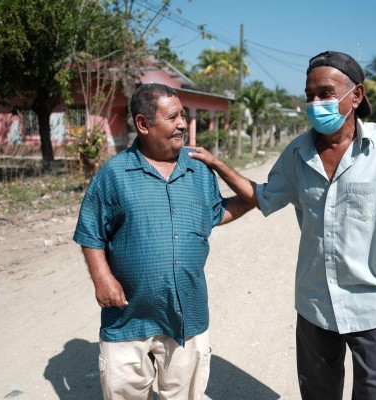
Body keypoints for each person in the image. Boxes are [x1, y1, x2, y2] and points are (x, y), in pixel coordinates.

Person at [188, 50, 376, 399]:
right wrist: (217, 164)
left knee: (374, 394)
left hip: (374, 307)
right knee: (318, 394)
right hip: (315, 304)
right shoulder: (296, 153)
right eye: (309, 96)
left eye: (325, 94)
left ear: (357, 95)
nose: (315, 102)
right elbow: (263, 197)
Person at [73, 83, 252, 400]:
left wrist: (220, 166)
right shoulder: (114, 173)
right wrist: (102, 278)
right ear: (143, 124)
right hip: (127, 316)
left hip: (186, 315)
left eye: (182, 115)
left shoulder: (198, 169)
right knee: (124, 393)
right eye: (173, 117)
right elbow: (91, 232)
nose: (183, 123)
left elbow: (220, 211)